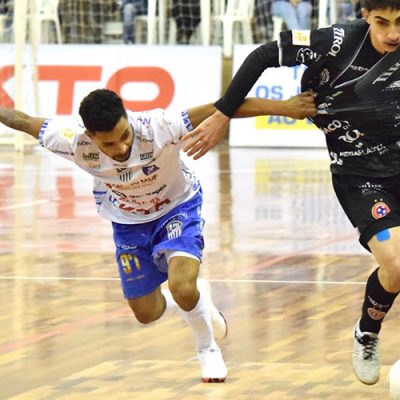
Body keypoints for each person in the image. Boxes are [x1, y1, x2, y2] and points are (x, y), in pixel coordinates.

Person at [0, 88, 316, 382]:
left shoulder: (158, 126)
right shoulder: (70, 140)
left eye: (124, 136)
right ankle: (197, 299)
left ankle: (207, 348)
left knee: (181, 284)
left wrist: (284, 107)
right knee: (145, 314)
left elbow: (225, 106)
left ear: (128, 118)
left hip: (177, 207)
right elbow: (22, 120)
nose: (121, 147)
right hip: (128, 222)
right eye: (109, 144)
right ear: (89, 136)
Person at [182, 0, 400, 387]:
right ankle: (367, 332)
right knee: (397, 266)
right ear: (365, 16)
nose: (392, 34)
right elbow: (265, 53)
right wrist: (222, 113)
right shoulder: (335, 42)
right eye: (382, 22)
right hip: (360, 173)